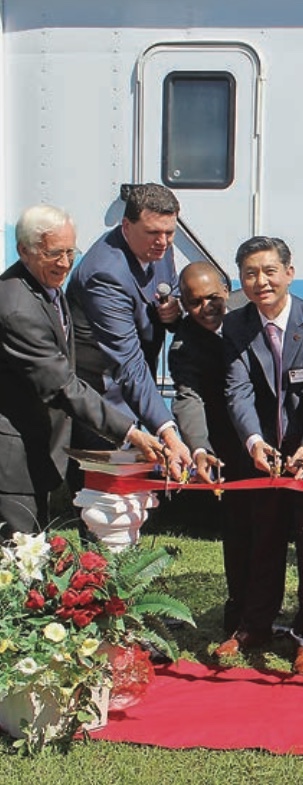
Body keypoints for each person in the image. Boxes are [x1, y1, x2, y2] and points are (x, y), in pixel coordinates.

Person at [217, 236, 303, 677]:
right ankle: (254, 626)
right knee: (262, 542)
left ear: (289, 272)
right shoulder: (234, 327)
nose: (260, 281)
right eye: (250, 273)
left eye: (269, 271)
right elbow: (237, 390)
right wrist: (253, 442)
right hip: (262, 458)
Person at [0, 205, 163, 538]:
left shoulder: (44, 286)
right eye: (53, 253)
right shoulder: (16, 306)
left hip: (35, 451)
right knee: (17, 566)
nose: (64, 263)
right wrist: (130, 432)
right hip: (12, 461)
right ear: (24, 251)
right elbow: (61, 385)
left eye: (70, 252)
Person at [65, 183, 191, 476]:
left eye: (169, 233)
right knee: (104, 497)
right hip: (102, 393)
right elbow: (127, 362)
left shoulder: (158, 248)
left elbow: (166, 291)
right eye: (152, 233)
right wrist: (169, 432)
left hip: (135, 384)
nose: (162, 242)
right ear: (126, 226)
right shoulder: (104, 273)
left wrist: (173, 311)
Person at [168, 261, 253, 634]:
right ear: (184, 305)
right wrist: (199, 447)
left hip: (275, 438)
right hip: (228, 447)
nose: (208, 308)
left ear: (227, 290)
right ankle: (240, 616)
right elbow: (189, 397)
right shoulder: (185, 344)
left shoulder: (251, 313)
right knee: (238, 532)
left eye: (214, 298)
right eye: (196, 302)